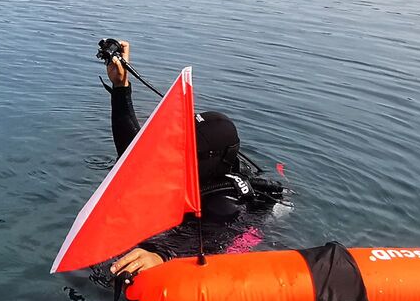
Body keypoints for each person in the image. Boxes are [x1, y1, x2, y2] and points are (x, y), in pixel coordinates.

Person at [100, 40, 285, 277]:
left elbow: (212, 236)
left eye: (183, 152)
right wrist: (121, 87)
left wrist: (161, 254)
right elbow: (134, 159)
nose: (173, 157)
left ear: (205, 159)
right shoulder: (198, 169)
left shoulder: (226, 204)